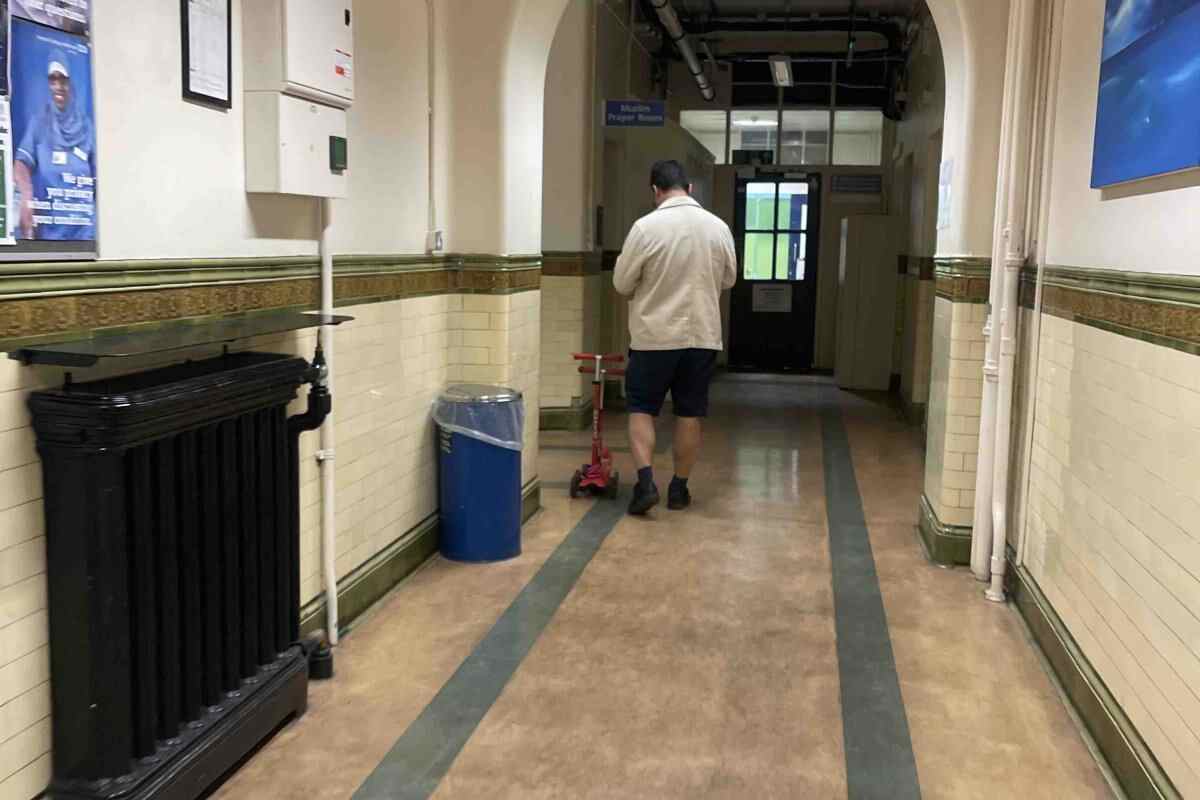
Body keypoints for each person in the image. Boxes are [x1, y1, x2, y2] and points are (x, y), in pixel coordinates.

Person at [613, 160, 737, 516]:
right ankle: (679, 490)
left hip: (654, 336)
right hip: (702, 337)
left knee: (641, 409)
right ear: (690, 188)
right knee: (689, 414)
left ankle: (646, 483)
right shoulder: (718, 228)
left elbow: (622, 283)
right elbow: (729, 279)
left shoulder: (645, 228)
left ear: (655, 191)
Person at [14, 49, 96, 241]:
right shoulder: (40, 122)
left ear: (70, 82)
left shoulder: (86, 126)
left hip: (85, 236)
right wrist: (26, 193)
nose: (58, 86)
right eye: (53, 79)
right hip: (52, 235)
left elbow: (100, 176)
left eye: (63, 79)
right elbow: (21, 164)